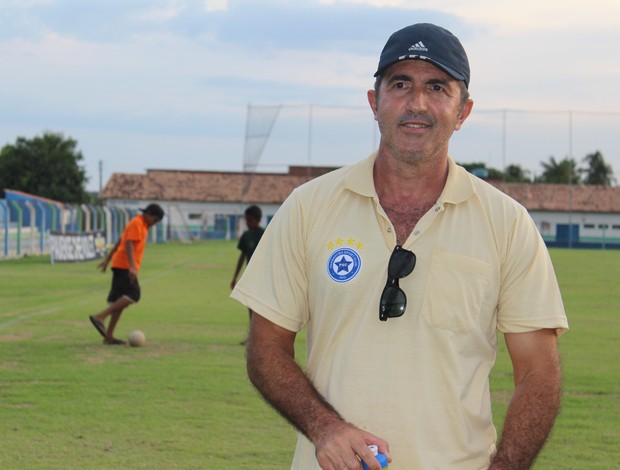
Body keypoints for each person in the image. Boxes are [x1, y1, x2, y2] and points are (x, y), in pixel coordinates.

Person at [231, 22, 568, 470]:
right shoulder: (308, 207)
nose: (417, 103)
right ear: (375, 102)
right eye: (400, 84)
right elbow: (266, 346)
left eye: (437, 87)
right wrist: (325, 427)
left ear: (463, 111)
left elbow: (539, 373)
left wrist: (506, 465)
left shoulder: (507, 224)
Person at [89, 203, 164, 345]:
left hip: (120, 264)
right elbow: (128, 243)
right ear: (148, 214)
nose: (154, 224)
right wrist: (132, 266)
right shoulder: (137, 223)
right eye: (155, 220)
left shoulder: (142, 225)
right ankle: (100, 317)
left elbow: (120, 241)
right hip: (124, 265)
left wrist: (107, 259)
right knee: (134, 294)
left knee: (119, 301)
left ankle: (108, 336)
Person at [230, 205, 265, 338]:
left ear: (259, 219)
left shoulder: (265, 235)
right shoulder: (246, 235)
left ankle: (260, 336)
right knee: (250, 306)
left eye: (250, 220)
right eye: (246, 220)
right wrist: (235, 277)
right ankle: (253, 337)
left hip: (263, 278)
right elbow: (242, 256)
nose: (248, 223)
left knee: (261, 309)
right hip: (250, 277)